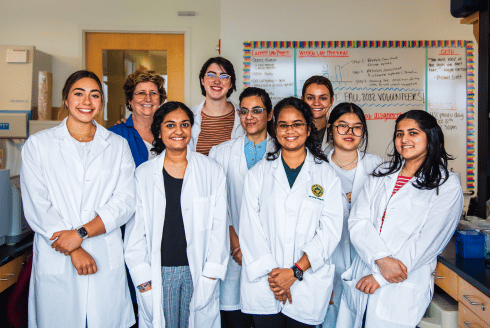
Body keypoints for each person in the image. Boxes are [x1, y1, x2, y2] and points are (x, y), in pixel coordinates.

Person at [20, 70, 136, 327]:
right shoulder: (39, 145)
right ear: (65, 99)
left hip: (103, 256)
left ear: (101, 103)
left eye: (94, 95)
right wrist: (73, 248)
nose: (87, 101)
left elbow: (125, 202)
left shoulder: (117, 146)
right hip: (57, 255)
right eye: (78, 94)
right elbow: (37, 205)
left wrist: (79, 234)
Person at [336, 110, 464, 328]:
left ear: (430, 137)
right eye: (399, 134)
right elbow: (358, 221)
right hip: (365, 270)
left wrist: (380, 277)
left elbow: (429, 241)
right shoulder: (383, 173)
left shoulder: (447, 184)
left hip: (401, 281)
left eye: (413, 133)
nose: (404, 139)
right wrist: (381, 259)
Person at [239, 97, 343, 328]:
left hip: (306, 284)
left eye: (297, 124)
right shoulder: (258, 174)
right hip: (267, 284)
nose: (290, 130)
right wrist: (278, 279)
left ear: (308, 129)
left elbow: (330, 232)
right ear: (275, 130)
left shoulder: (326, 175)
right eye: (283, 125)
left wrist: (295, 272)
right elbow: (249, 229)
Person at [124, 101, 229, 328]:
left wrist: (211, 274)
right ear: (159, 132)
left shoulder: (211, 170)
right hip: (159, 271)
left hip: (198, 271)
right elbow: (135, 235)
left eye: (185, 124)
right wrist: (143, 280)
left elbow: (219, 229)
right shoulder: (143, 174)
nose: (178, 131)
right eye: (170, 125)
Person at [208, 87, 274, 328]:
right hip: (232, 251)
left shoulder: (283, 150)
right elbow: (215, 203)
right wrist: (233, 239)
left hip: (271, 253)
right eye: (244, 111)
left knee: (266, 316)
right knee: (234, 317)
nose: (250, 117)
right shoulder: (220, 152)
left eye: (257, 111)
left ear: (269, 114)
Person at [322, 103, 383, 327]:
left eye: (357, 127)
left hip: (365, 263)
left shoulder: (377, 167)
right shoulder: (316, 166)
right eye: (343, 126)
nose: (350, 133)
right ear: (330, 129)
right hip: (328, 261)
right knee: (328, 318)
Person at [109, 69, 167, 167]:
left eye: (153, 93)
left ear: (160, 100)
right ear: (130, 100)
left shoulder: (169, 131)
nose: (148, 99)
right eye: (141, 93)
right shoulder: (115, 135)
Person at [191, 57, 245, 155]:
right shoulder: (190, 116)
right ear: (202, 80)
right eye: (211, 75)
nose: (217, 81)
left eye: (224, 76)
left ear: (231, 83)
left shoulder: (244, 116)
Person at [301, 75, 335, 153]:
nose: (316, 103)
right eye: (310, 98)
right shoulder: (293, 131)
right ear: (302, 100)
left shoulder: (338, 131)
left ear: (331, 102)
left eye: (323, 98)